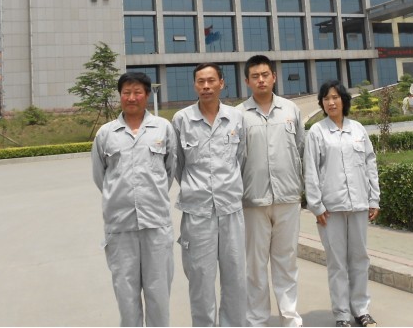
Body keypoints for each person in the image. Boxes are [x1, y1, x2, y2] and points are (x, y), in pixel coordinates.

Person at [91, 71, 177, 327]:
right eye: (126, 92)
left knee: (159, 293)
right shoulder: (106, 133)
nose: (131, 97)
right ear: (120, 96)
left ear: (147, 95)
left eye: (137, 92)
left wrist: (149, 195)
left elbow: (169, 170)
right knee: (126, 295)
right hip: (120, 226)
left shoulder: (163, 128)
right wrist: (122, 196)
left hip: (156, 224)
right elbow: (101, 177)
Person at [172, 63, 247, 327]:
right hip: (197, 213)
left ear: (221, 83)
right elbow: (177, 165)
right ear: (194, 85)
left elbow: (241, 158)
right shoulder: (182, 120)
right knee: (200, 279)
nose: (206, 86)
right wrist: (196, 188)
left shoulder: (236, 118)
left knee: (235, 278)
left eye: (211, 80)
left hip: (231, 210)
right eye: (200, 81)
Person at [304, 79, 380, 328]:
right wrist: (316, 206)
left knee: (360, 258)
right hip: (330, 209)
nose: (331, 102)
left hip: (358, 204)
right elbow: (310, 171)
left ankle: (361, 310)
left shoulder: (358, 130)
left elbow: (370, 164)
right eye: (326, 98)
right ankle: (341, 315)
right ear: (322, 103)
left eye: (335, 97)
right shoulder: (317, 132)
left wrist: (374, 199)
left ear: (344, 100)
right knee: (337, 263)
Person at [237, 55, 305, 327]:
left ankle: (290, 318)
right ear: (247, 81)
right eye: (255, 76)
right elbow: (234, 159)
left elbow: (301, 149)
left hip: (287, 198)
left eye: (265, 75)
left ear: (274, 77)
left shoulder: (291, 110)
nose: (261, 80)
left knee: (286, 261)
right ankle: (257, 320)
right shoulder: (238, 115)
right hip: (253, 200)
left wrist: (304, 191)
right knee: (255, 266)